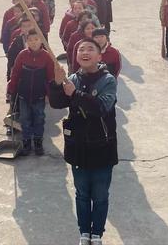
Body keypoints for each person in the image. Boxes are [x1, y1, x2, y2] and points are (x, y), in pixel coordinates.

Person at [51, 40, 118, 245]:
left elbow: (101, 108)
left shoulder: (108, 81)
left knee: (99, 195)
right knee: (81, 194)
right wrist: (56, 83)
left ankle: (96, 233)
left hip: (102, 147)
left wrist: (76, 94)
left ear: (99, 56)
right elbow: (57, 103)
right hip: (78, 146)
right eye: (81, 49)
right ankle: (84, 233)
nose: (85, 52)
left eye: (90, 49)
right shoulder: (72, 79)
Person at [7, 29, 55, 156]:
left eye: (36, 39)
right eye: (30, 40)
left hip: (39, 95)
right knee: (24, 119)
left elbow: (51, 77)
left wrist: (50, 95)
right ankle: (26, 142)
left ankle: (38, 142)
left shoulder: (47, 57)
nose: (33, 43)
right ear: (26, 41)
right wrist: (10, 89)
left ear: (41, 40)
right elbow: (15, 73)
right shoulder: (22, 55)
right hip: (23, 94)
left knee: (39, 118)